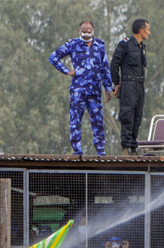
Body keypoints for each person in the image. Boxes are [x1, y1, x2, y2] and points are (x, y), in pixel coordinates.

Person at [49, 20, 113, 156]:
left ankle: (100, 150)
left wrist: (108, 87)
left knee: (98, 121)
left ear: (93, 31)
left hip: (95, 90)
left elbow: (105, 68)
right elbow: (53, 57)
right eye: (84, 31)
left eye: (89, 31)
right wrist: (66, 70)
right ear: (79, 31)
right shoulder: (72, 44)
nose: (86, 33)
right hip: (78, 90)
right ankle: (77, 150)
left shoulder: (100, 46)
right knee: (75, 120)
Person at [110, 19, 150, 156]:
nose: (149, 33)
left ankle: (133, 148)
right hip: (128, 85)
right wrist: (117, 84)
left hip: (140, 85)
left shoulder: (142, 47)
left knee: (137, 117)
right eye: (148, 30)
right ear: (142, 30)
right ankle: (126, 148)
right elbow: (114, 65)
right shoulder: (125, 44)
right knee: (127, 115)